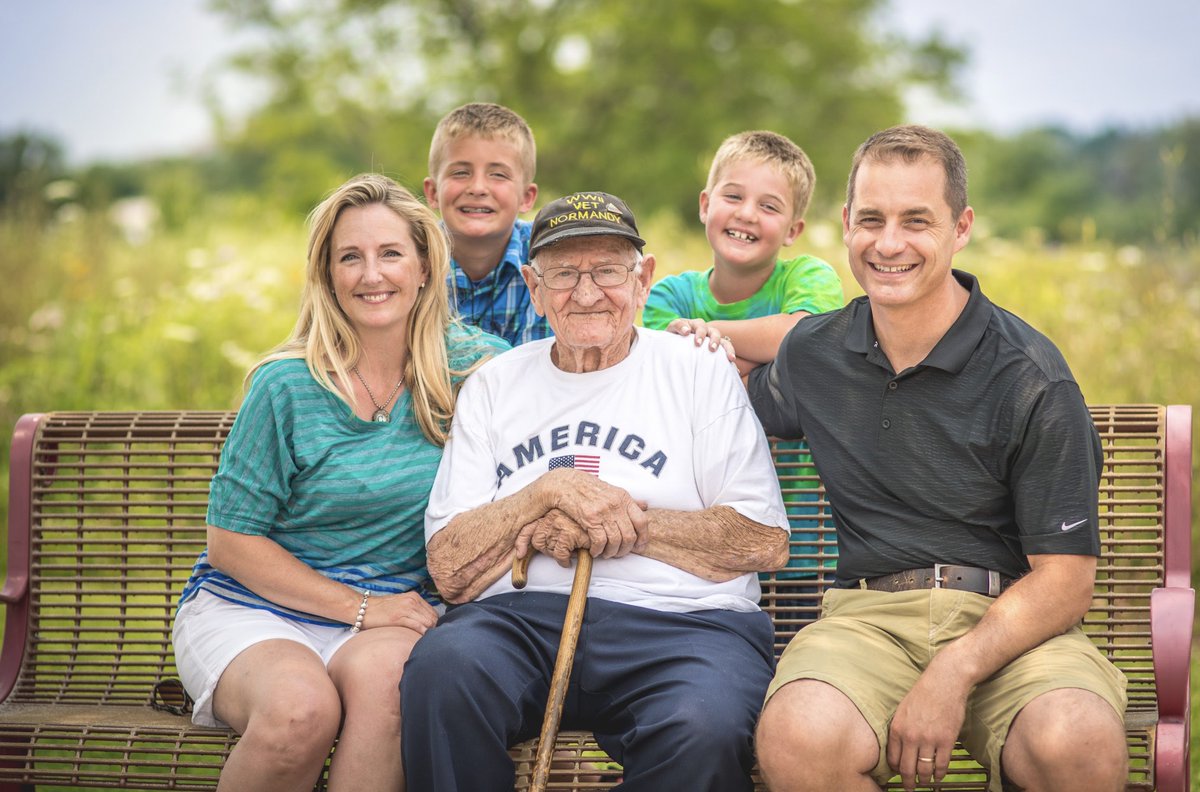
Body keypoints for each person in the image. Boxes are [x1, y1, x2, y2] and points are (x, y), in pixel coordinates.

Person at [747, 125, 1128, 792]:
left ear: (961, 227)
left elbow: (1065, 581)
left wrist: (952, 672)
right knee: (799, 735)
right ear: (845, 225)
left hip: (1013, 624)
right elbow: (711, 406)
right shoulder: (812, 355)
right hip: (867, 622)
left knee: (1077, 742)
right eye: (872, 219)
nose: (889, 243)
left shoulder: (1030, 376)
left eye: (916, 221)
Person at [401, 190, 791, 791]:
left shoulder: (697, 369)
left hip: (684, 628)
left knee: (701, 726)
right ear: (533, 286)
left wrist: (614, 523)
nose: (586, 293)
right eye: (563, 274)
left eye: (607, 270)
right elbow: (451, 567)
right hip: (517, 625)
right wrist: (544, 493)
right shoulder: (495, 385)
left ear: (644, 279)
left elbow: (761, 540)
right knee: (442, 675)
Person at [172, 173, 508, 792]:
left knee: (391, 696)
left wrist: (701, 338)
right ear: (327, 276)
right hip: (255, 609)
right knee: (300, 712)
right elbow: (231, 544)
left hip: (396, 613)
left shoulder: (477, 370)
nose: (371, 274)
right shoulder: (286, 385)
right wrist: (360, 607)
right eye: (349, 257)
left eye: (390, 254)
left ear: (426, 267)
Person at [643, 129, 844, 594]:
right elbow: (664, 379)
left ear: (794, 229)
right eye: (733, 196)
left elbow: (805, 336)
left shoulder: (809, 276)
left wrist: (709, 341)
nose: (747, 214)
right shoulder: (670, 294)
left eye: (770, 206)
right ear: (704, 205)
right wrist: (772, 361)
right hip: (703, 543)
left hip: (806, 538)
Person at [423, 101, 551, 345]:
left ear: (526, 197)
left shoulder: (550, 260)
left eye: (498, 175)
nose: (478, 188)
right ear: (433, 192)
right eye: (460, 172)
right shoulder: (408, 262)